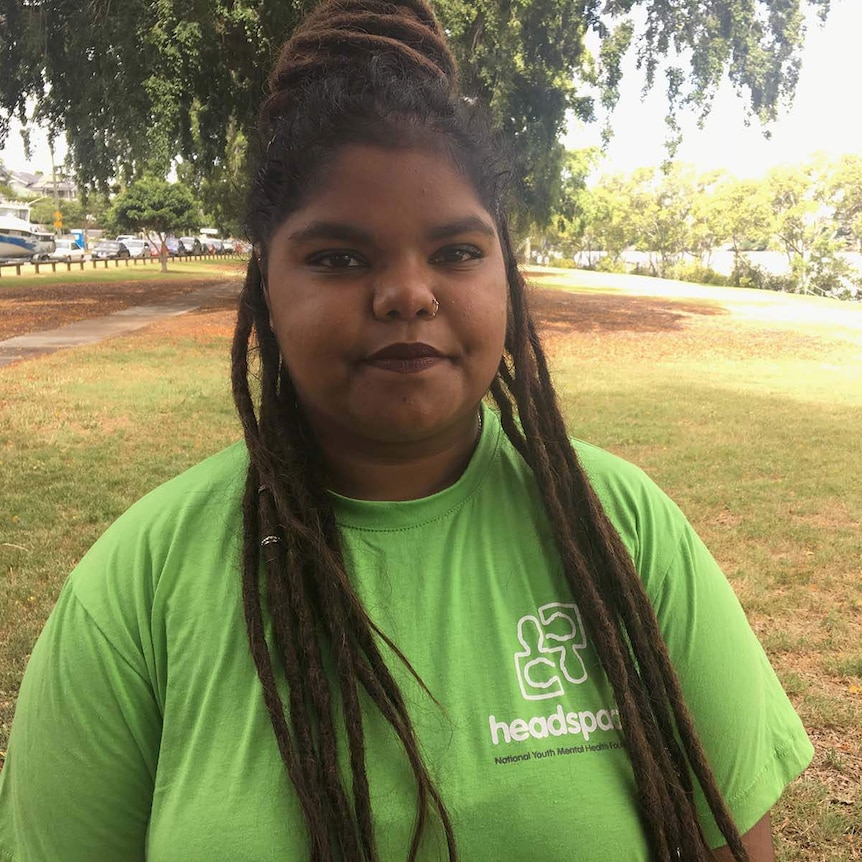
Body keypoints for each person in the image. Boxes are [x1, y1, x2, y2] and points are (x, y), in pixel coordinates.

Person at [0, 1, 812, 860]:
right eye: (339, 257)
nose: (407, 294)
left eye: (457, 251)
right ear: (265, 286)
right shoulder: (136, 587)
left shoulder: (627, 534)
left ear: (507, 271)